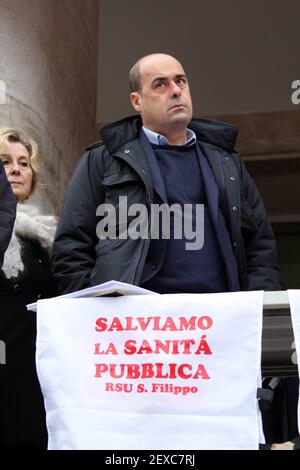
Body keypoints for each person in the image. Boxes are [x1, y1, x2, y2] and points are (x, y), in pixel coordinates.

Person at [51, 53, 294, 443]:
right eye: (160, 84)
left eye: (181, 80)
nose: (175, 90)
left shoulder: (226, 161)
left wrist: (258, 310)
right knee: (140, 443)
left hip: (217, 337)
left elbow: (260, 242)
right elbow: (71, 245)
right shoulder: (104, 160)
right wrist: (94, 318)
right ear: (137, 101)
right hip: (136, 341)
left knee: (215, 440)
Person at [0, 128, 57, 448]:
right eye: (4, 161)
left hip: (32, 378)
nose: (16, 169)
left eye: (24, 162)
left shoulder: (44, 238)